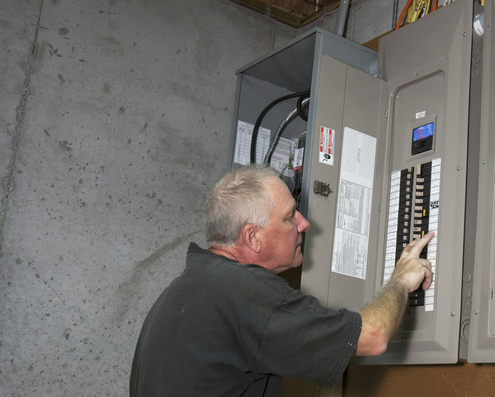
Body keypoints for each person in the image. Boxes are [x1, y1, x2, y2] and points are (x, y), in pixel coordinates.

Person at [130, 165, 434, 396]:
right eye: (290, 217)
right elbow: (373, 336)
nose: (304, 223)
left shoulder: (180, 290)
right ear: (253, 237)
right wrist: (402, 280)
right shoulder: (244, 291)